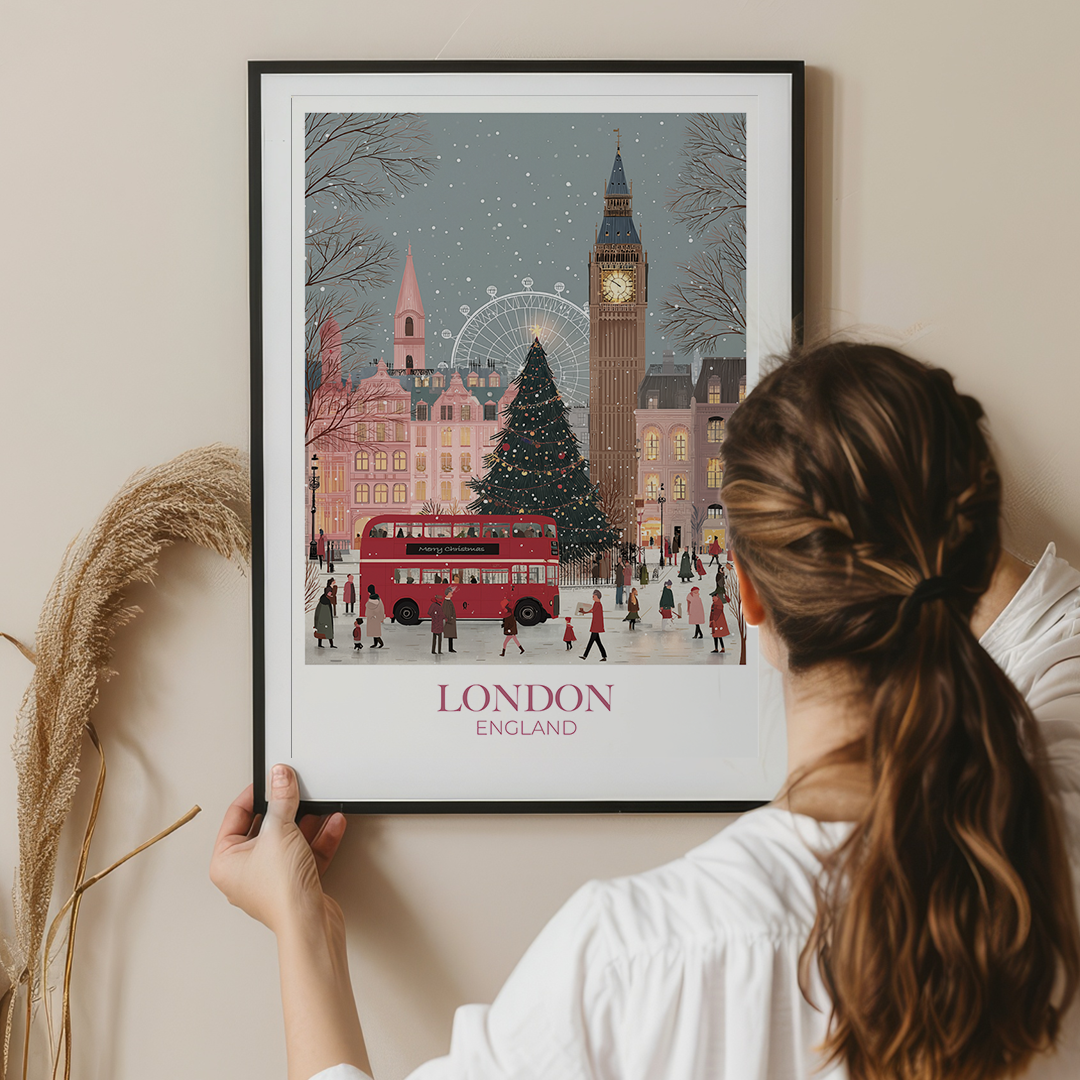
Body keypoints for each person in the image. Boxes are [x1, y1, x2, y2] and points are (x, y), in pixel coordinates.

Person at [211, 342, 1080, 1080]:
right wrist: (920, 506)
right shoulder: (1057, 819)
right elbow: (1047, 611)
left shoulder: (640, 961)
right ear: (966, 552)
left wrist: (302, 924)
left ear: (745, 592)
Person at [579, 589, 607, 660]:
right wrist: (584, 612)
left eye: (594, 595)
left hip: (596, 625)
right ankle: (604, 656)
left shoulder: (597, 604)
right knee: (598, 642)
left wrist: (584, 612)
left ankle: (585, 656)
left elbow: (592, 610)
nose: (593, 596)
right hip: (596, 624)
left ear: (597, 596)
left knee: (591, 641)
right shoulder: (596, 604)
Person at [442, 587, 458, 654]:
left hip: (451, 620)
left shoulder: (448, 601)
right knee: (450, 635)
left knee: (451, 635)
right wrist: (450, 618)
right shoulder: (446, 602)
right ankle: (450, 648)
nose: (452, 594)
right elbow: (446, 611)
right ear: (448, 593)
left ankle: (450, 648)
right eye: (451, 593)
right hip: (449, 621)